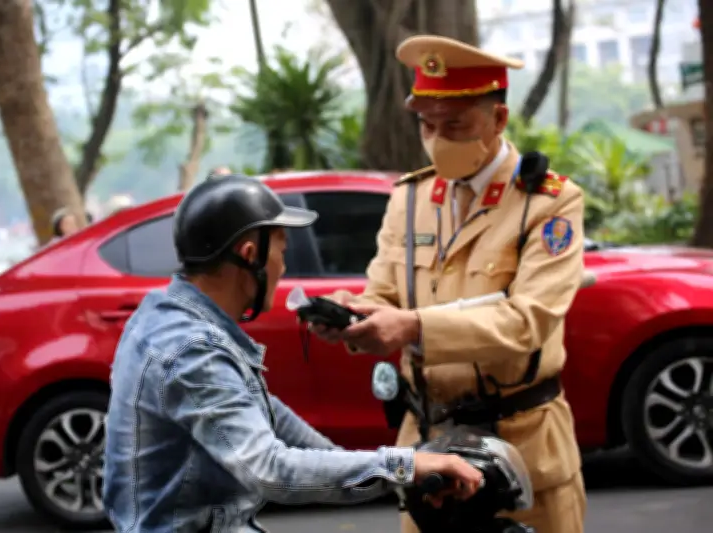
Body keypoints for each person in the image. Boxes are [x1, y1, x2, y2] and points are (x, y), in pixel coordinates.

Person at [102, 174, 484, 533]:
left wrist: (395, 474)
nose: (283, 267)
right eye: (282, 250)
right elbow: (271, 470)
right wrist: (403, 465)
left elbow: (273, 417)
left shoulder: (168, 315)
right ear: (250, 254)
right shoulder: (192, 350)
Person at [312, 36, 587, 533]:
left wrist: (414, 327)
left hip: (522, 453)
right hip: (428, 454)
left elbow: (529, 321)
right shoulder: (410, 199)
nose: (438, 139)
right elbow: (384, 293)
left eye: (455, 125)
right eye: (427, 125)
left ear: (498, 119)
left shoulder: (547, 203)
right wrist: (354, 314)